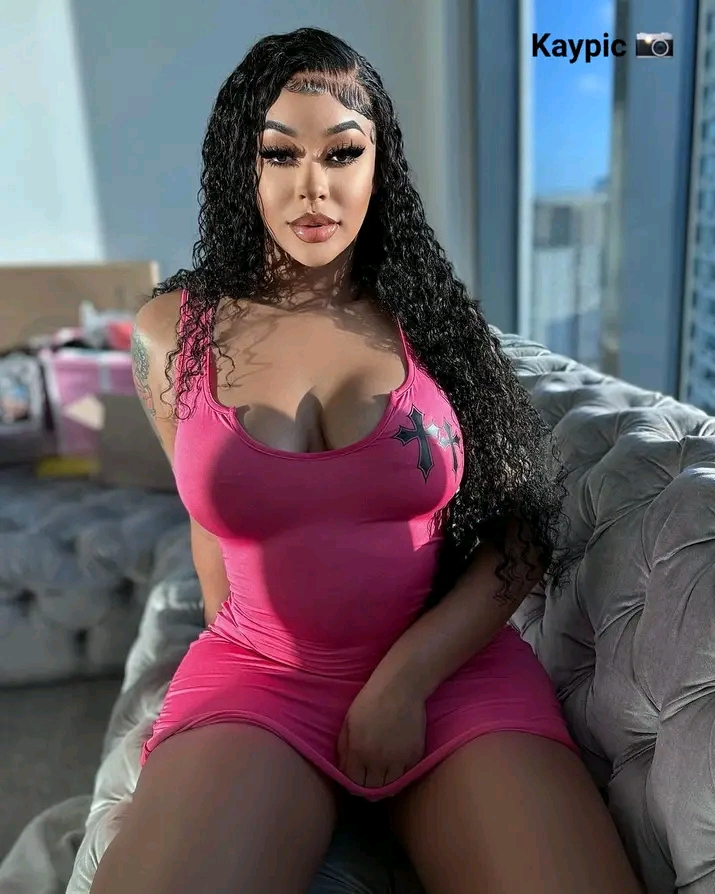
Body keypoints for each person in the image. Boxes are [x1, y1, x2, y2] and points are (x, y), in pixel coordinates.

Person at [89, 26, 644, 894]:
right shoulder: (169, 331)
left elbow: (523, 532)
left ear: (379, 165)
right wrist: (234, 712)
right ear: (241, 166)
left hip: (448, 674)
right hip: (260, 676)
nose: (313, 187)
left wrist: (402, 683)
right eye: (280, 154)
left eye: (342, 152)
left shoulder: (434, 322)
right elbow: (209, 524)